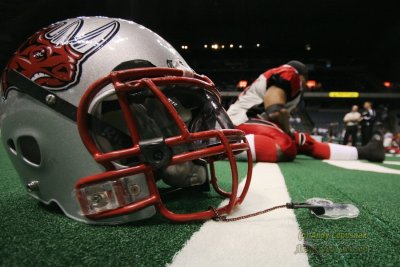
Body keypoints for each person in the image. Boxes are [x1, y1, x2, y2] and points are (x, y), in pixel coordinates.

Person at [227, 60, 385, 163]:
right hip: (239, 121)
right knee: (286, 146)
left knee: (305, 142)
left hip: (252, 120)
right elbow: (275, 110)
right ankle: (224, 148)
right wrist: (287, 130)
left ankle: (367, 152)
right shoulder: (291, 74)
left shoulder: (283, 77)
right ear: (302, 77)